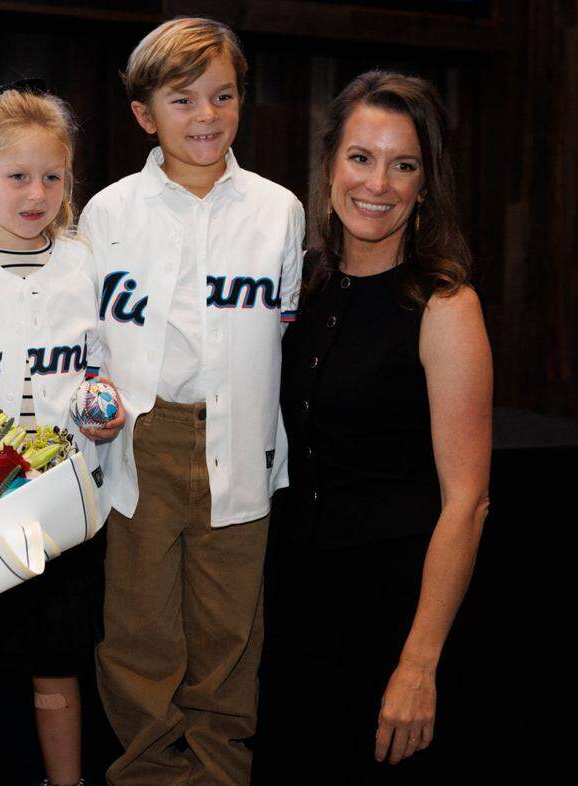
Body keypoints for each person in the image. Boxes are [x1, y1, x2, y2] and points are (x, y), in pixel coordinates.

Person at [80, 17, 305, 785]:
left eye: (223, 96)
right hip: (142, 442)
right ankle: (145, 773)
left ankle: (218, 773)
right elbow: (91, 345)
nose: (207, 116)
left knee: (229, 634)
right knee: (140, 635)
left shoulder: (279, 210)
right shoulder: (107, 213)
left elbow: (284, 331)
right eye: (184, 100)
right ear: (146, 114)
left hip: (240, 442)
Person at [254, 70, 492, 785]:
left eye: (404, 164)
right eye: (361, 157)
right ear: (330, 164)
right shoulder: (301, 283)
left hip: (396, 615)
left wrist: (418, 664)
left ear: (426, 184)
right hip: (294, 612)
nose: (378, 183)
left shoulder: (445, 308)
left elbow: (468, 503)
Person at [0, 87, 124, 786]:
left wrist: (103, 407)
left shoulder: (86, 266)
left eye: (53, 177)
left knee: (58, 668)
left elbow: (101, 370)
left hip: (62, 505)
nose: (36, 193)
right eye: (17, 177)